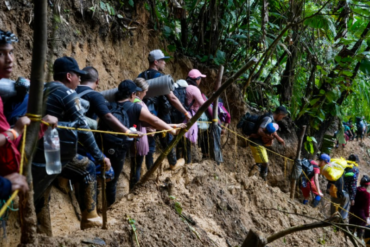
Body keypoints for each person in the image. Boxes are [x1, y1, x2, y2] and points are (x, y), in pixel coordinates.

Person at [33, 56, 111, 230]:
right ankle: (90, 217)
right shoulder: (67, 93)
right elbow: (82, 127)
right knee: (88, 168)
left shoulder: (45, 89)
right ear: (69, 76)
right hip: (54, 151)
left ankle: (43, 231)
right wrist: (100, 157)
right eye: (78, 75)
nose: (80, 79)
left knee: (43, 190)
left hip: (38, 151)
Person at [102, 80, 184, 201]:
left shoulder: (109, 105)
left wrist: (173, 125)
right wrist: (171, 130)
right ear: (132, 94)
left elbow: (149, 123)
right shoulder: (135, 107)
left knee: (107, 179)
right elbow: (153, 121)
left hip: (105, 144)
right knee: (117, 179)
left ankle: (101, 207)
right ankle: (111, 208)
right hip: (123, 146)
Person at [138, 49, 188, 170]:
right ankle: (173, 163)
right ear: (156, 62)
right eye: (162, 61)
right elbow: (172, 98)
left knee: (150, 141)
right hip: (160, 113)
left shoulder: (141, 76)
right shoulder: (161, 78)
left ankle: (149, 168)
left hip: (145, 112)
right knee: (168, 138)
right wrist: (185, 112)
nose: (164, 63)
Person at [249, 106, 287, 180]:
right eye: (282, 117)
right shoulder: (268, 119)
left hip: (259, 142)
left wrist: (278, 138)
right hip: (256, 141)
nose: (281, 118)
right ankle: (258, 178)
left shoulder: (271, 119)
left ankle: (258, 178)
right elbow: (259, 131)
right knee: (265, 162)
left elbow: (273, 130)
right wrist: (269, 138)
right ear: (280, 114)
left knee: (262, 162)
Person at [318, 153, 350, 219]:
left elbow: (337, 181)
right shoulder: (333, 169)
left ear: (324, 161)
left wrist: (340, 192)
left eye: (320, 161)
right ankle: (336, 221)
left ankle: (336, 221)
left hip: (338, 192)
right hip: (337, 192)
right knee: (337, 208)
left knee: (336, 208)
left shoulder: (332, 171)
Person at [349, 175, 370, 240]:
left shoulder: (355, 190)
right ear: (367, 185)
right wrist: (367, 217)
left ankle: (349, 239)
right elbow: (366, 208)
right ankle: (359, 241)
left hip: (353, 211)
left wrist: (350, 211)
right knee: (360, 230)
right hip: (361, 214)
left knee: (351, 228)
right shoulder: (367, 194)